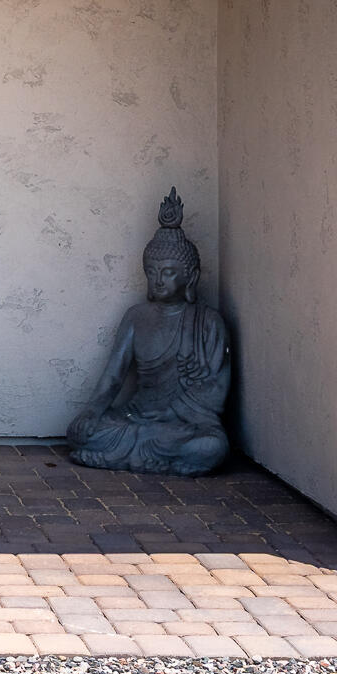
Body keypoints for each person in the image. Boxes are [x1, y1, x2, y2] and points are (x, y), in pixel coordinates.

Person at [67, 189, 232, 475]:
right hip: (137, 417)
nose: (158, 280)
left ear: (191, 277)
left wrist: (171, 413)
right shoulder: (136, 317)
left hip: (183, 425)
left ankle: (128, 457)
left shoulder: (208, 323)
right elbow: (113, 377)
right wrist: (92, 411)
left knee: (212, 447)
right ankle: (155, 460)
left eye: (168, 272)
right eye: (152, 271)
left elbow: (216, 392)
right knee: (81, 432)